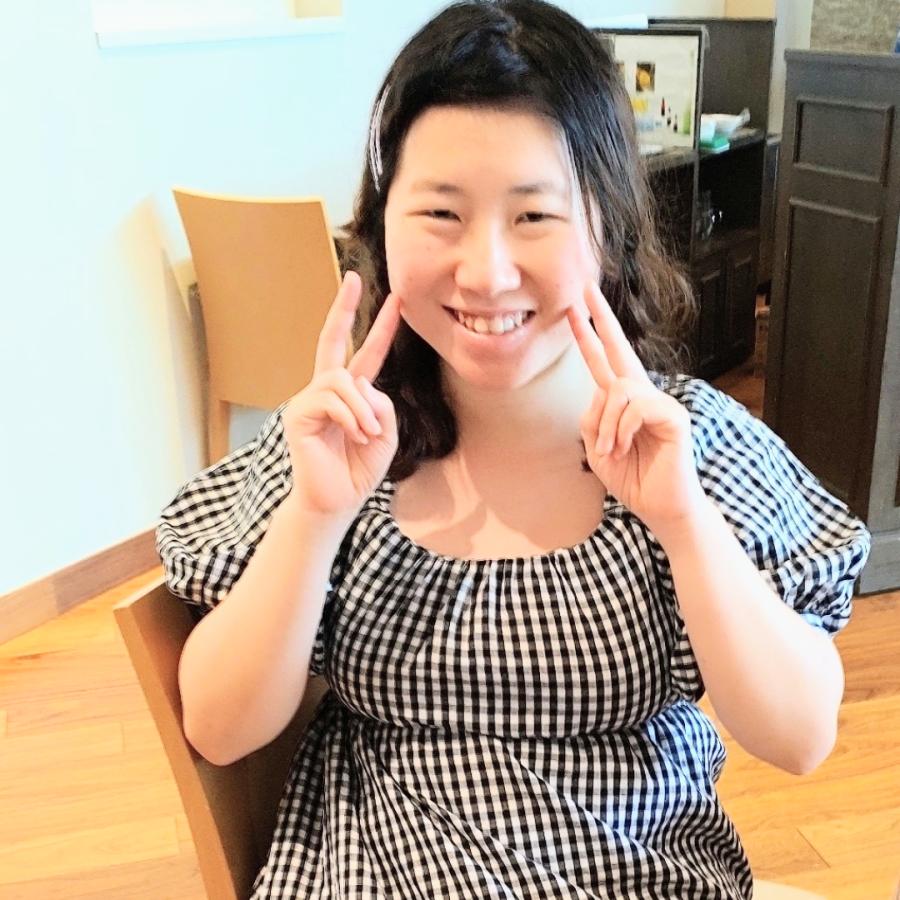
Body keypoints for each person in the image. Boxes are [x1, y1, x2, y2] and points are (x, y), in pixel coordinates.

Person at [157, 2, 871, 897]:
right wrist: (314, 517)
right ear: (380, 229)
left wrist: (684, 522)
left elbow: (800, 739)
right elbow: (219, 729)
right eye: (440, 213)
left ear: (608, 227)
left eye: (534, 215)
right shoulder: (332, 440)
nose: (487, 272)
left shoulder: (691, 443)